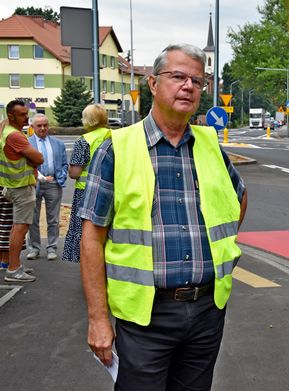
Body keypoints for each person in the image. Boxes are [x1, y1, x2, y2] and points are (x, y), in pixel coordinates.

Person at [79, 44, 248, 391]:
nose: (188, 86)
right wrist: (98, 319)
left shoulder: (209, 143)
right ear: (153, 84)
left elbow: (239, 198)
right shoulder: (117, 147)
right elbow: (91, 238)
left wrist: (223, 247)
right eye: (178, 77)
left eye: (197, 81)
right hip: (145, 316)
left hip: (206, 311)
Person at [0, 100, 43, 282]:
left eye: (27, 113)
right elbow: (39, 158)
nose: (27, 118)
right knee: (20, 228)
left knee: (14, 227)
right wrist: (32, 161)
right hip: (21, 187)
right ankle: (13, 270)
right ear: (11, 116)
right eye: (22, 115)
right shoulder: (15, 136)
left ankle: (14, 264)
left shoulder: (4, 128)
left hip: (10, 185)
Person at [62, 104, 110, 263]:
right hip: (111, 190)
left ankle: (89, 267)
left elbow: (75, 173)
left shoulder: (84, 141)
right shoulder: (114, 136)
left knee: (83, 232)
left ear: (89, 120)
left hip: (85, 192)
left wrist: (69, 169)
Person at [26, 114, 68, 261]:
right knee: (33, 218)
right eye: (39, 126)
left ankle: (52, 248)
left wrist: (60, 177)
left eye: (45, 125)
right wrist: (40, 177)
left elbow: (64, 163)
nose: (43, 128)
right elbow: (24, 165)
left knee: (53, 219)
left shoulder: (58, 144)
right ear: (32, 127)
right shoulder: (27, 143)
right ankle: (34, 248)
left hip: (53, 185)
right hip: (33, 183)